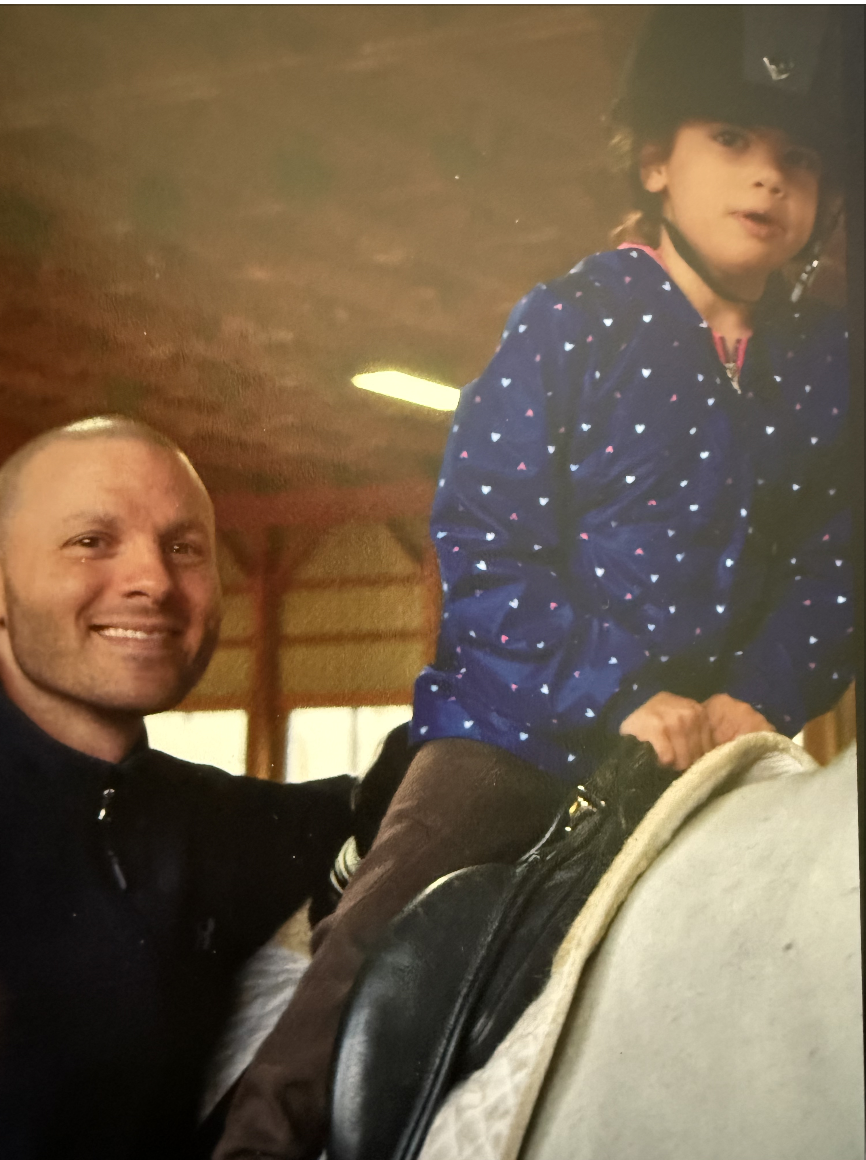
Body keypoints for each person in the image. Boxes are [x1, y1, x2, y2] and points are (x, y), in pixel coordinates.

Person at [215, 8, 854, 1159]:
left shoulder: (823, 366)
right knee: (375, 939)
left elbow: (832, 562)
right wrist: (612, 687)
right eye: (730, 138)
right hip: (522, 727)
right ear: (655, 159)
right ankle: (263, 1130)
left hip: (716, 741)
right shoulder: (572, 320)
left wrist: (755, 694)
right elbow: (486, 536)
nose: (768, 175)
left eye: (797, 158)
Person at [0, 416, 353, 1160]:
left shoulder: (216, 828)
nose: (154, 581)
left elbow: (407, 787)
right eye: (91, 541)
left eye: (185, 548)